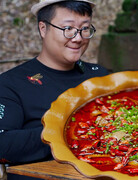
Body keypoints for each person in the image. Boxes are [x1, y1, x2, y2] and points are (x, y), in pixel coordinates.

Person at [0, 0, 109, 178]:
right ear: (43, 29)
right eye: (68, 29)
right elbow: (2, 144)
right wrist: (69, 132)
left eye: (85, 28)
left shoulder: (99, 76)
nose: (78, 38)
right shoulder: (11, 83)